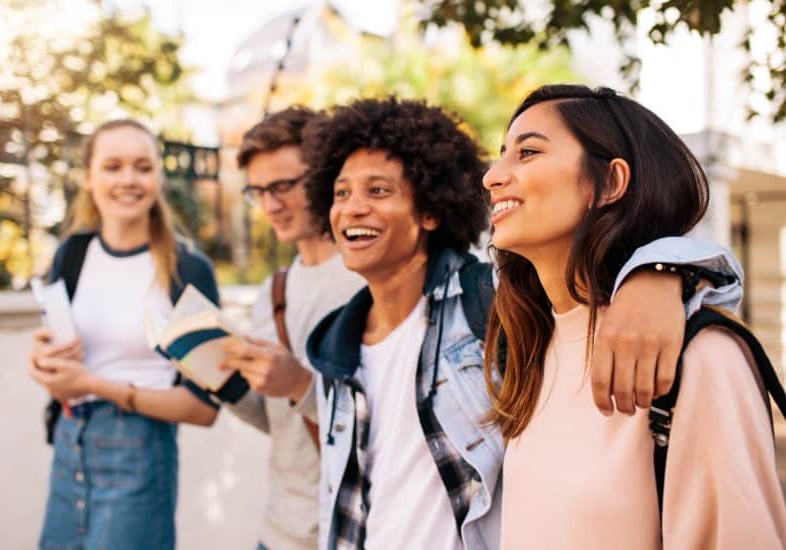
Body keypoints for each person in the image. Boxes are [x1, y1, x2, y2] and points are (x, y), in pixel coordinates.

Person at [302, 97, 743, 549]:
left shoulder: (489, 307)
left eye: (378, 191)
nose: (352, 208)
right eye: (340, 193)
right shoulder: (332, 347)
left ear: (431, 209)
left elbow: (696, 262)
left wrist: (659, 273)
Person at [482, 84, 786, 549]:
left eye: (527, 152)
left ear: (610, 183)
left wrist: (667, 270)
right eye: (502, 154)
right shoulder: (527, 349)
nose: (492, 176)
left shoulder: (699, 356)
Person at [28, 119, 224, 550]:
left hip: (139, 454)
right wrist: (42, 361)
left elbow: (203, 407)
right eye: (113, 166)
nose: (128, 180)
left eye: (142, 167)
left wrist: (94, 384)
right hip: (69, 446)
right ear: (89, 178)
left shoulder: (188, 271)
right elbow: (58, 354)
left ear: (158, 176)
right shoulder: (72, 254)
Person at [217, 106, 366, 550]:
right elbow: (279, 423)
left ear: (324, 175)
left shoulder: (371, 277)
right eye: (258, 191)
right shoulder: (273, 290)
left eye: (283, 186)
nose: (270, 205)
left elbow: (395, 424)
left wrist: (300, 383)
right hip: (279, 530)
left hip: (350, 531)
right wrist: (219, 380)